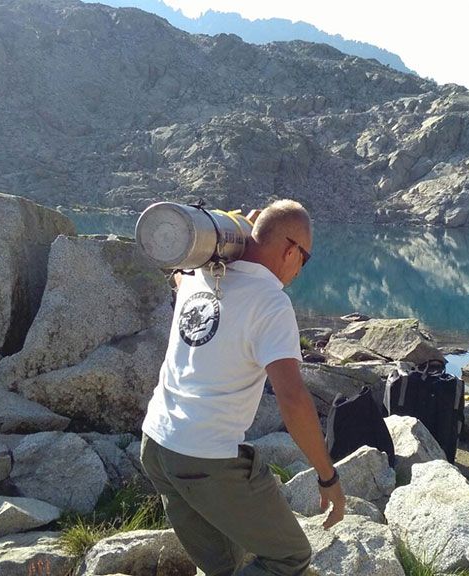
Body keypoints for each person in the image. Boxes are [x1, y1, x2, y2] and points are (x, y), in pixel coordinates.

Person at [140, 199, 344, 576]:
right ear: (290, 250)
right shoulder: (271, 303)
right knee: (289, 557)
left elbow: (177, 272)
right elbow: (293, 399)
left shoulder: (199, 274)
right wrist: (327, 477)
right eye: (305, 259)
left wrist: (229, 239)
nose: (299, 272)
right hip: (206, 457)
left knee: (224, 565)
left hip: (156, 444)